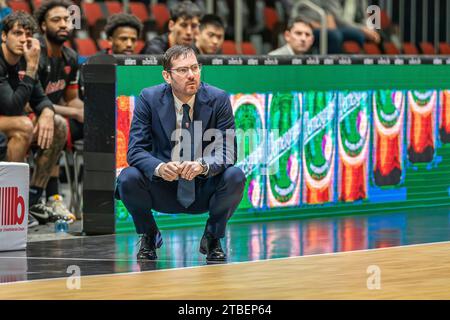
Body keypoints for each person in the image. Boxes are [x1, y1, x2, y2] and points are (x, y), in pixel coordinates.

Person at [115, 45, 246, 263]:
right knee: (127, 178)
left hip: (203, 185)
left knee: (235, 176)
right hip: (163, 186)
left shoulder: (219, 98)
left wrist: (203, 165)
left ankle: (213, 237)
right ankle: (149, 234)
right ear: (167, 76)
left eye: (195, 67)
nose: (192, 75)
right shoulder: (149, 98)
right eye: (183, 70)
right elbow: (135, 150)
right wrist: (159, 167)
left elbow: (228, 149)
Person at [0, 11, 67, 226]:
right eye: (17, 33)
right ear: (4, 36)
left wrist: (47, 112)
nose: (23, 39)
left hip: (8, 120)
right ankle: (7, 200)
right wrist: (30, 67)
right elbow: (11, 107)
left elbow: (41, 99)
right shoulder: (13, 62)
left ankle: (33, 197)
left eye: (28, 35)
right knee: (23, 125)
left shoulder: (24, 61)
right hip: (8, 118)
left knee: (58, 124)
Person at [34, 0, 84, 222]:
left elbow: (72, 99)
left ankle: (58, 198)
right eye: (56, 20)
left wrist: (95, 112)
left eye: (67, 19)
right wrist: (74, 113)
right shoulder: (35, 51)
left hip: (52, 116)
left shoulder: (71, 57)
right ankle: (37, 198)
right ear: (43, 26)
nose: (63, 24)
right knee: (60, 124)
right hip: (27, 113)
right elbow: (29, 101)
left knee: (97, 122)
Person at [291, 0, 380, 53]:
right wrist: (362, 29)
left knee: (359, 35)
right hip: (321, 25)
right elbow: (337, 19)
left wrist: (369, 29)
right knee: (335, 35)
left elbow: (364, 16)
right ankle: (332, 69)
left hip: (338, 26)